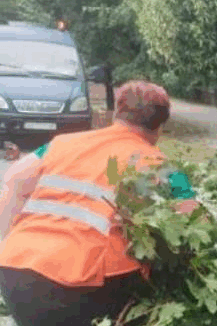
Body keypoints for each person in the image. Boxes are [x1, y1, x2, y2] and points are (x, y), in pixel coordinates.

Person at [0, 80, 194, 325]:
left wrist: (8, 241)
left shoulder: (62, 143)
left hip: (16, 271)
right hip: (86, 285)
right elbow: (196, 223)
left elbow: (14, 179)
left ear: (116, 113)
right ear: (160, 126)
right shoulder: (166, 168)